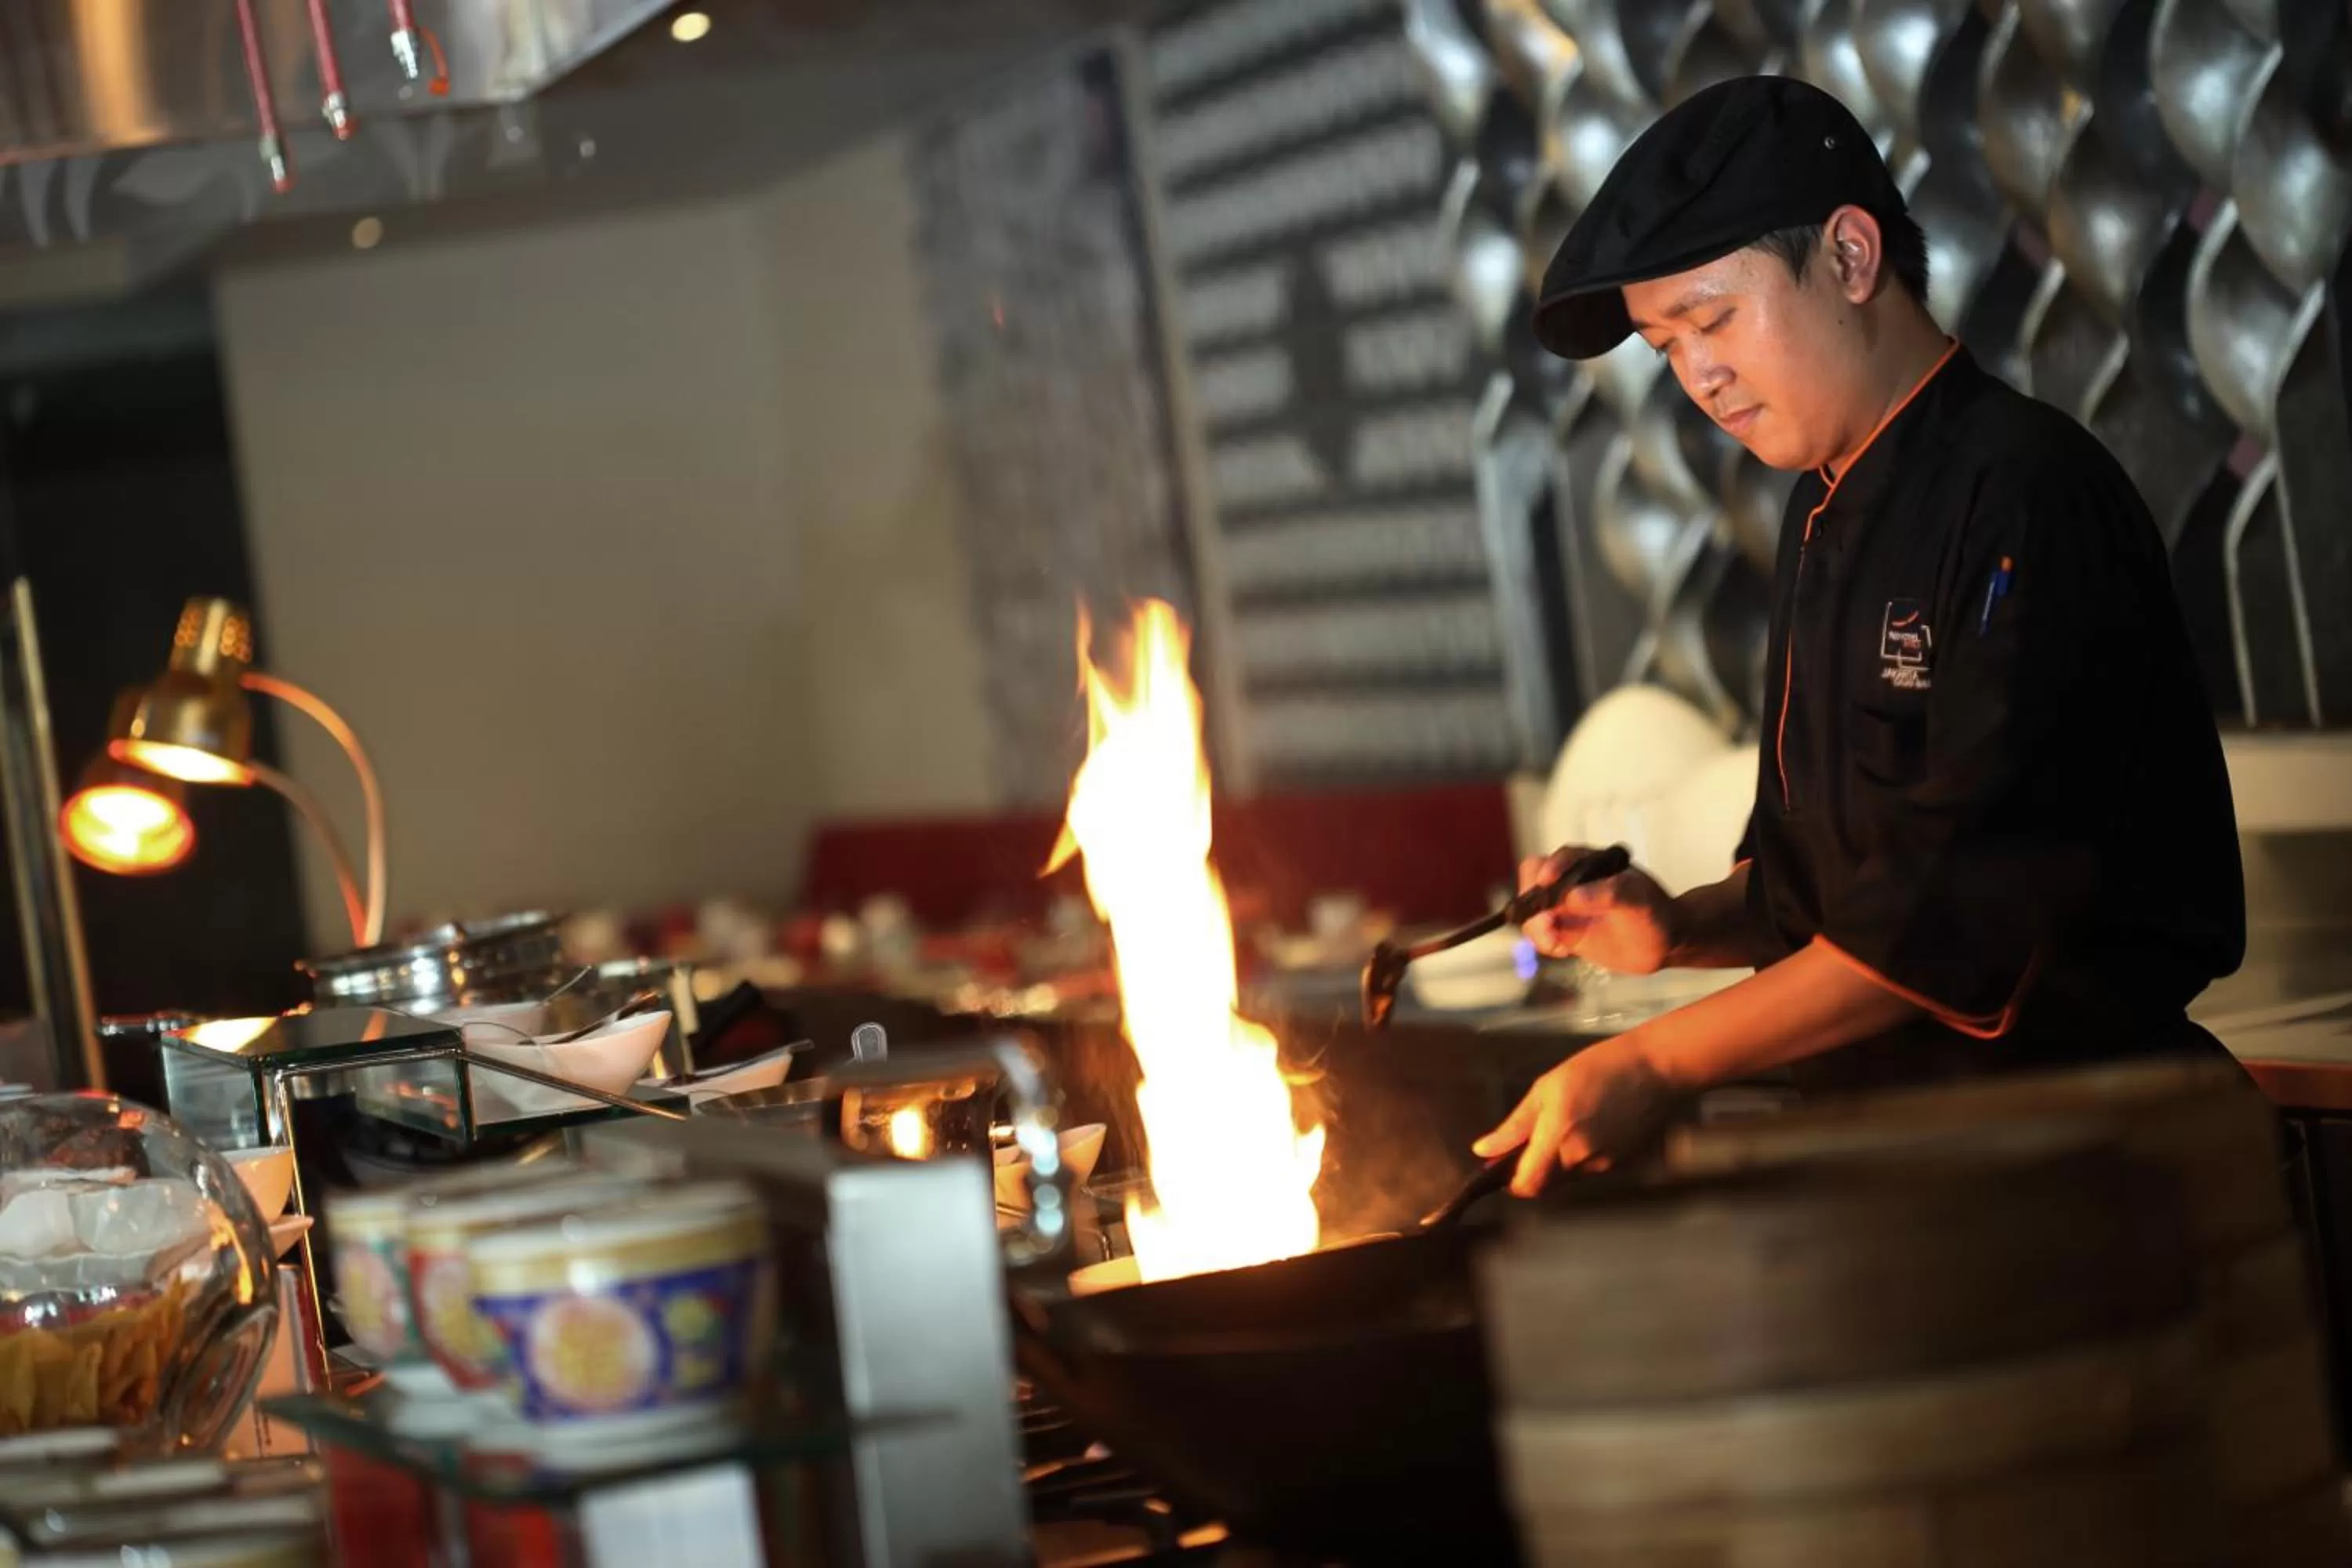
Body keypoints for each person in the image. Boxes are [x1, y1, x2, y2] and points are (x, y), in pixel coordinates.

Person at [1473, 76, 2245, 1196]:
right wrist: (1672, 929)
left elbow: (1951, 915)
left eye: (1714, 319)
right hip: (1911, 1178)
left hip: (2097, 1166)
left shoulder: (2020, 494)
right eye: (1665, 346)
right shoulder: (1823, 509)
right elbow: (1828, 888)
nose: (1698, 375)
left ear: (1848, 255)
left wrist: (1660, 1057)